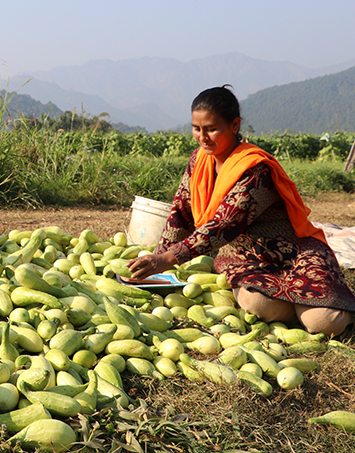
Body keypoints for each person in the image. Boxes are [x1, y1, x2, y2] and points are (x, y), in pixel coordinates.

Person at [127, 85, 355, 337]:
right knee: (259, 304)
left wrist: (168, 259)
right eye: (196, 128)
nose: (203, 137)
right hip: (246, 257)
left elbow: (223, 225)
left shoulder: (255, 169)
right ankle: (296, 307)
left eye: (212, 129)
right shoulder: (198, 161)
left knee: (324, 323)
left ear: (234, 125)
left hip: (295, 254)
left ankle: (312, 308)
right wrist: (156, 265)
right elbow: (181, 212)